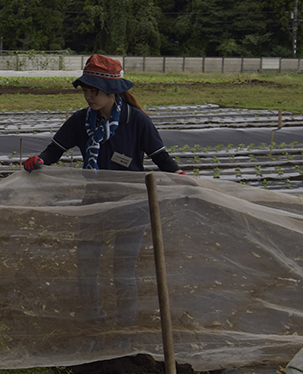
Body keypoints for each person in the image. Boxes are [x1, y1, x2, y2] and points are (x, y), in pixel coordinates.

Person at [23, 54, 184, 338]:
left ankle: (124, 326)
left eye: (94, 90)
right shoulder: (80, 122)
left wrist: (182, 177)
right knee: (85, 265)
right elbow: (54, 150)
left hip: (131, 207)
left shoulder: (137, 121)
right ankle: (92, 321)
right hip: (94, 204)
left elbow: (162, 158)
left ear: (112, 91)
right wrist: (39, 161)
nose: (88, 96)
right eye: (85, 89)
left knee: (122, 271)